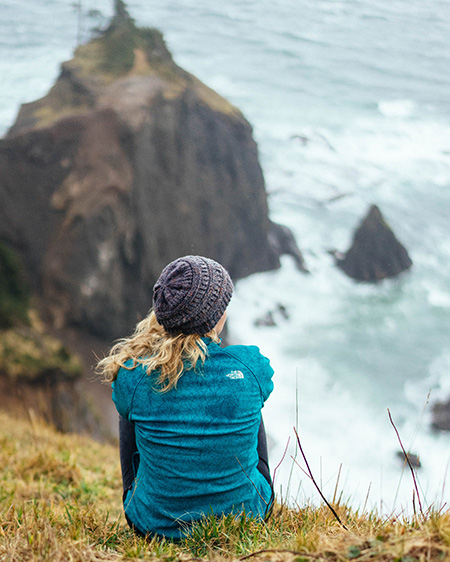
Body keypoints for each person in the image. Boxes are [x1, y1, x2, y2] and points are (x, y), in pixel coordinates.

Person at [97, 255, 274, 540]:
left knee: (131, 405)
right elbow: (257, 385)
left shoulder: (132, 374)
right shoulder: (250, 365)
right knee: (246, 395)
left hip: (152, 525)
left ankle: (139, 498)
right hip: (247, 515)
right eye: (223, 304)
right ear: (214, 316)